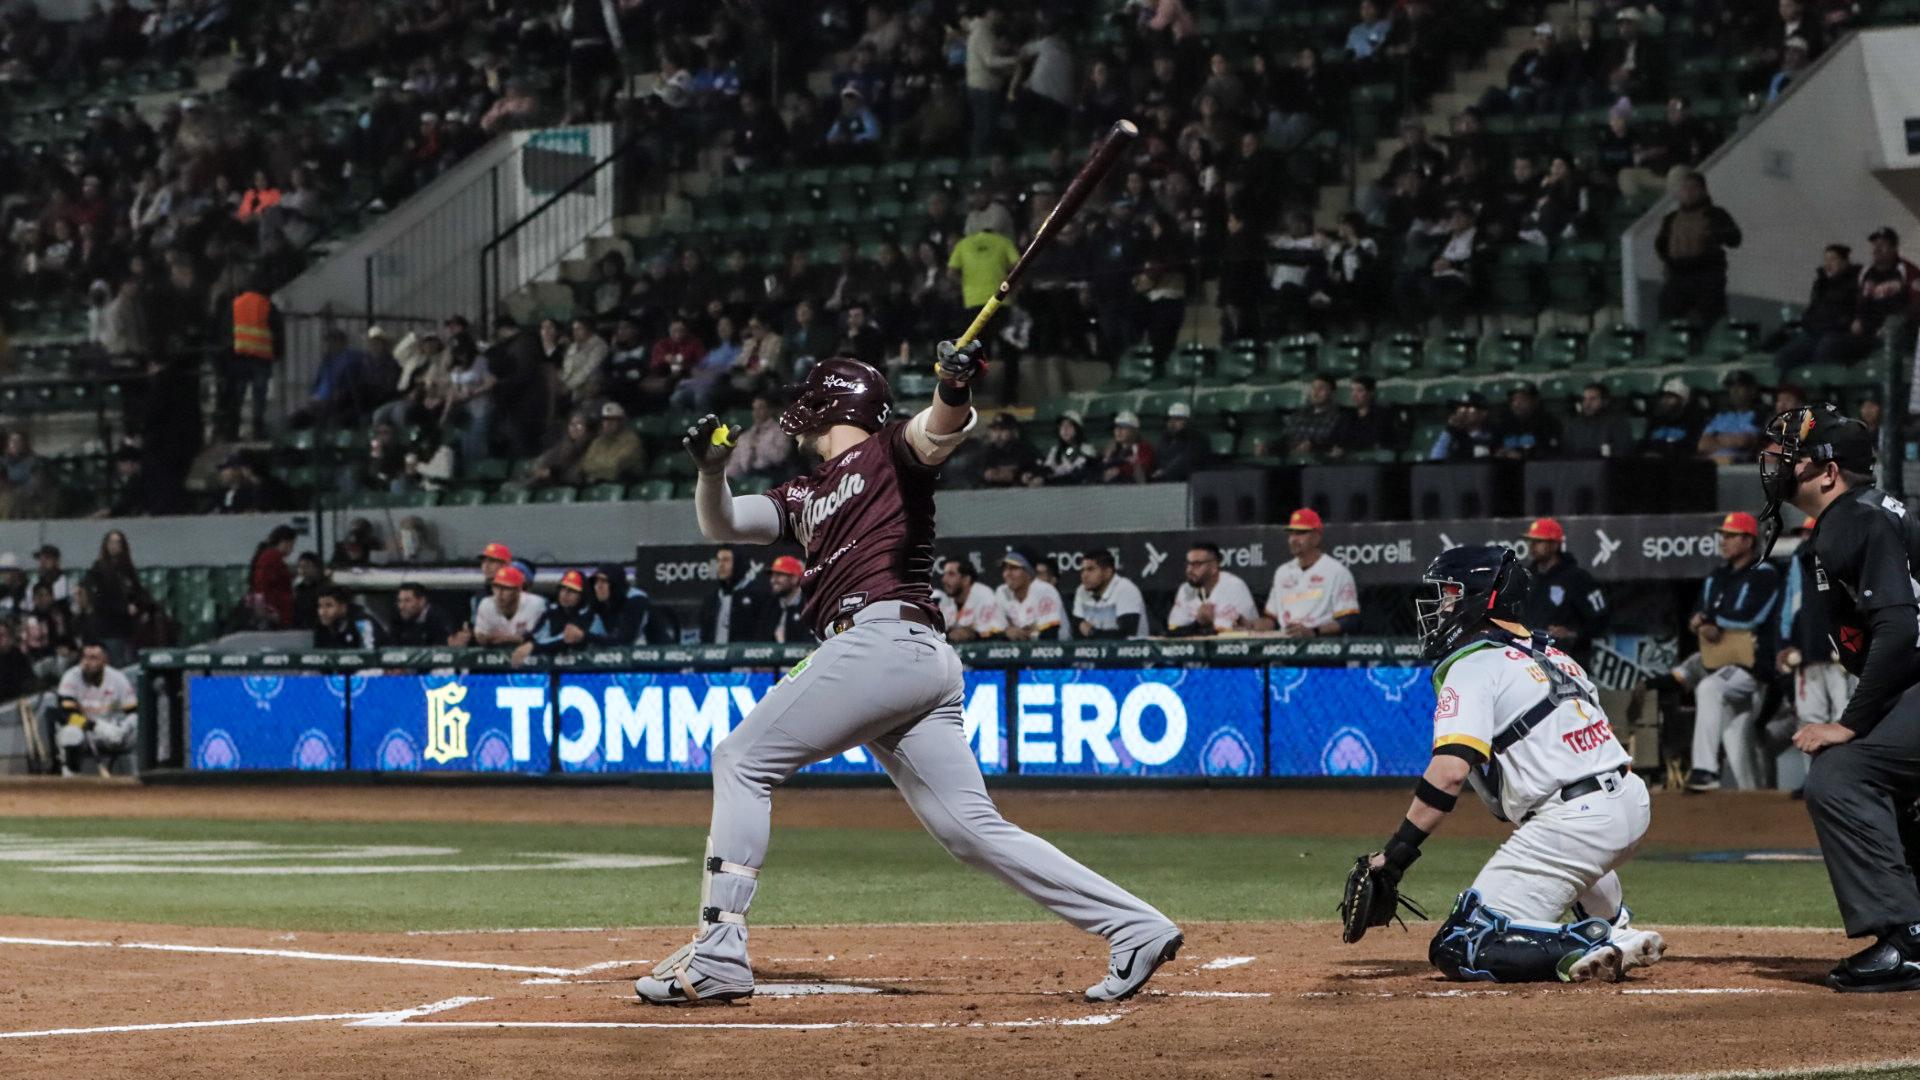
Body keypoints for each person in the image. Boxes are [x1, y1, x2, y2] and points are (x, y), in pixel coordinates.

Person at [639, 348, 1181, 1007]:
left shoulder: (893, 449)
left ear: (834, 401)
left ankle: (720, 954)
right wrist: (712, 470)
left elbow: (942, 425)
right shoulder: (804, 492)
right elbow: (721, 521)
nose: (800, 409)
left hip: (881, 639)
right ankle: (1136, 926)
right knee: (971, 829)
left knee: (740, 761)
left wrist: (954, 383)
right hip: (913, 656)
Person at [1348, 545, 1660, 984]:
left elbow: (1450, 772)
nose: (1442, 605)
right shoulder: (1556, 655)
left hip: (1574, 821)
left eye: (1451, 593)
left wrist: (1395, 858)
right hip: (1628, 801)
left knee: (1460, 944)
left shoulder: (1474, 665)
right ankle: (1612, 922)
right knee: (1554, 842)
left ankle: (1594, 942)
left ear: (1481, 597)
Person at [1760, 404, 1920, 990]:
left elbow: (1901, 630)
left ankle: (1906, 941)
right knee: (1896, 789)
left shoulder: (1855, 518)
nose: (1775, 464)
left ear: (1827, 473)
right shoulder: (1860, 514)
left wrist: (1849, 724)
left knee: (1843, 774)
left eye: (1790, 456)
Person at [1680, 512, 1782, 792]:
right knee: (1737, 740)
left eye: (1729, 535)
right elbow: (1698, 613)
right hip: (1723, 664)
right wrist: (1699, 622)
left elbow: (1753, 616)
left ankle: (1704, 770)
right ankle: (1752, 801)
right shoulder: (1717, 576)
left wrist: (1715, 622)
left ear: (1748, 540)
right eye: (1722, 535)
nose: (1723, 541)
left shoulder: (1765, 573)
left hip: (1756, 665)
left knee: (1709, 689)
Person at [1518, 518, 1609, 669]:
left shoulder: (1577, 578)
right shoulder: (1525, 577)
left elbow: (1601, 619)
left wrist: (1572, 634)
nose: (1532, 546)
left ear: (1554, 545)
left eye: (1539, 541)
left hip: (1567, 663)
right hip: (1529, 663)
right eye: (1530, 541)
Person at [1654, 172, 1743, 325]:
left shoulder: (1716, 214)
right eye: (1684, 188)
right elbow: (1661, 245)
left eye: (1693, 188)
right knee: (1668, 320)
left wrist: (1715, 234)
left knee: (1711, 323)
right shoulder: (1671, 218)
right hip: (1678, 276)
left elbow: (1735, 239)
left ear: (1703, 190)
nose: (1688, 192)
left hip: (1706, 277)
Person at [1257, 509, 1361, 637]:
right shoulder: (1282, 572)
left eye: (1300, 533)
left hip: (1321, 647)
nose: (1293, 539)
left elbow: (1349, 621)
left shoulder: (1337, 572)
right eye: (1291, 534)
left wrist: (1314, 631)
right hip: (1287, 647)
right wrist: (1251, 626)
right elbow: (1271, 619)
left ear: (1316, 537)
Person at [48, 642, 140, 777]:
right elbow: (66, 715)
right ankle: (70, 779)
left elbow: (133, 712)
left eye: (94, 658)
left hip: (112, 731)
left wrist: (122, 728)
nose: (88, 662)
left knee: (136, 732)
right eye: (85, 657)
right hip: (85, 732)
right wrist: (94, 726)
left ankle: (137, 778)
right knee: (70, 734)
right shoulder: (71, 677)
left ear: (105, 660)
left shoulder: (118, 678)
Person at [1773, 245, 1862, 375]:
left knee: (1826, 349)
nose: (1828, 264)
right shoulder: (1820, 284)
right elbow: (1812, 310)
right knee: (1783, 357)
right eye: (1826, 260)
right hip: (1815, 333)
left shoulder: (1856, 282)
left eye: (1833, 259)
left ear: (1845, 262)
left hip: (1838, 334)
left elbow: (1852, 315)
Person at [82, 530, 151, 667]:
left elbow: (138, 593)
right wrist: (123, 608)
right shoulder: (98, 570)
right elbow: (98, 599)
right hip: (108, 628)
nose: (114, 545)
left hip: (127, 629)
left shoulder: (128, 570)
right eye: (111, 542)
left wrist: (139, 607)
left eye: (118, 542)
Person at [514, 570, 609, 664]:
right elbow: (537, 637)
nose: (565, 594)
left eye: (572, 591)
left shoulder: (590, 616)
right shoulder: (552, 612)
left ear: (581, 595)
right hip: (556, 668)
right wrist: (529, 643)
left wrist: (534, 647)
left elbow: (564, 640)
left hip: (591, 667)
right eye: (563, 589)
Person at [1167, 542, 1259, 636]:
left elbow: (1243, 632)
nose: (1189, 570)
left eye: (1197, 564)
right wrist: (1198, 624)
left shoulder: (1234, 586)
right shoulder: (1187, 589)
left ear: (1214, 567)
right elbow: (1173, 631)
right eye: (1188, 564)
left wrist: (1206, 624)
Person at [699, 546, 776, 644]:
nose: (721, 565)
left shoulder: (757, 596)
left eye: (726, 560)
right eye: (718, 561)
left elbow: (763, 632)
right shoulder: (711, 600)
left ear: (738, 563)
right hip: (713, 656)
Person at [1071, 550, 1147, 639]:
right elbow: (1077, 632)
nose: (1084, 575)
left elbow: (1126, 636)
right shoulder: (1081, 590)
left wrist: (1092, 632)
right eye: (1083, 570)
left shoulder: (1125, 589)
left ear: (1108, 572)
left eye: (1090, 569)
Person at [995, 546, 1066, 641]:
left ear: (1029, 573)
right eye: (1005, 569)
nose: (1007, 573)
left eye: (1014, 568)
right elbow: (993, 629)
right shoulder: (1002, 592)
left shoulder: (1044, 590)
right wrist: (1006, 631)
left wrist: (1025, 634)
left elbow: (1050, 635)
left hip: (1062, 651)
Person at [1697, 371, 1767, 466]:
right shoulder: (1721, 416)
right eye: (1731, 387)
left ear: (1752, 390)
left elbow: (1743, 442)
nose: (1734, 390)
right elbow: (1702, 445)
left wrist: (1715, 439)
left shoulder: (1760, 416)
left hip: (1740, 466)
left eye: (1739, 386)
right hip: (1713, 463)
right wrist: (1727, 440)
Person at [723, 396, 795, 484]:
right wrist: (726, 476)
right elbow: (736, 462)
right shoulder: (745, 437)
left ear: (770, 410)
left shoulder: (780, 431)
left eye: (761, 408)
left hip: (773, 477)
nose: (756, 412)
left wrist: (759, 444)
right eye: (754, 409)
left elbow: (779, 458)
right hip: (749, 477)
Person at [472, 565, 546, 647]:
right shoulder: (486, 604)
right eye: (496, 587)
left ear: (518, 590)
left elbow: (537, 639)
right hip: (495, 654)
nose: (499, 593)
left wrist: (505, 639)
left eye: (506, 588)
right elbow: (481, 638)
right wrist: (514, 639)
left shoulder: (535, 604)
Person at [938, 556, 1007, 641]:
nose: (944, 579)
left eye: (951, 574)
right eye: (944, 574)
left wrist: (973, 634)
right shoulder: (946, 599)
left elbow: (996, 630)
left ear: (966, 579)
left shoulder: (984, 595)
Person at [578, 401, 648, 484]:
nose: (608, 423)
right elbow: (585, 465)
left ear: (621, 421)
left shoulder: (632, 441)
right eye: (605, 420)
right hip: (598, 484)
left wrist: (596, 468)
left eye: (613, 420)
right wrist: (604, 466)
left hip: (624, 485)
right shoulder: (598, 441)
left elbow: (616, 466)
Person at [1561, 383, 1635, 459]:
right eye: (1585, 399)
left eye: (1593, 399)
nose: (1587, 404)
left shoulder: (1618, 423)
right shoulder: (1573, 425)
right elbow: (1567, 452)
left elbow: (1622, 452)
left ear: (1605, 401)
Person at [1332, 376, 1399, 456]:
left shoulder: (1381, 415)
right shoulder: (1347, 416)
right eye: (1352, 390)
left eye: (1360, 391)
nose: (1354, 395)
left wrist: (1346, 449)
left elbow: (1373, 441)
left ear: (1371, 393)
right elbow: (1334, 436)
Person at [1492, 383, 1561, 460]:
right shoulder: (1504, 423)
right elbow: (1494, 448)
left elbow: (1553, 452)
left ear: (1535, 401)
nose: (1517, 404)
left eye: (1522, 399)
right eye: (1513, 399)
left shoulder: (1548, 423)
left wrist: (1523, 456)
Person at [248, 524, 298, 629]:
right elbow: (262, 585)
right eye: (292, 544)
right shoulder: (272, 558)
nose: (292, 549)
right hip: (275, 610)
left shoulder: (268, 557)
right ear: (284, 542)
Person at [976, 413, 1038, 488]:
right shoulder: (987, 451)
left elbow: (1029, 474)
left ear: (1013, 431)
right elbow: (984, 474)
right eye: (995, 430)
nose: (998, 434)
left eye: (1003, 430)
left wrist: (1014, 476)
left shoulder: (1025, 449)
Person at [1428, 392, 1495, 460]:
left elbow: (1490, 453)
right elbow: (1436, 458)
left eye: (1469, 407)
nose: (1463, 411)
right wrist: (1449, 430)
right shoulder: (1452, 434)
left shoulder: (1493, 434)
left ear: (1483, 413)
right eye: (1460, 407)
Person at [312, 585, 384, 648]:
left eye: (329, 606)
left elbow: (369, 656)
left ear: (343, 607)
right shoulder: (322, 627)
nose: (322, 612)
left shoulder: (362, 623)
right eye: (320, 606)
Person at [1153, 401, 1210, 480]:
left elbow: (1187, 461)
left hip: (1189, 481)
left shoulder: (1197, 438)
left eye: (1177, 419)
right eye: (1169, 419)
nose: (1172, 423)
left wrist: (1166, 471)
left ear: (1187, 421)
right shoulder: (1165, 438)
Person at [388, 583, 454, 647]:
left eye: (407, 601)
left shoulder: (438, 618)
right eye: (400, 601)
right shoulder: (397, 618)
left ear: (422, 601)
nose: (401, 606)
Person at [1099, 412, 1156, 483]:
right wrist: (1107, 456)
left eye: (1123, 427)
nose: (1118, 431)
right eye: (1116, 427)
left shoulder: (1143, 448)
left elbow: (1142, 470)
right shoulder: (1114, 449)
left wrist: (1119, 470)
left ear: (1134, 430)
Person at [291, 552, 324, 631]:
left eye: (307, 566)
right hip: (299, 628)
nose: (303, 570)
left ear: (316, 568)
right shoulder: (298, 589)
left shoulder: (323, 588)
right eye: (300, 566)